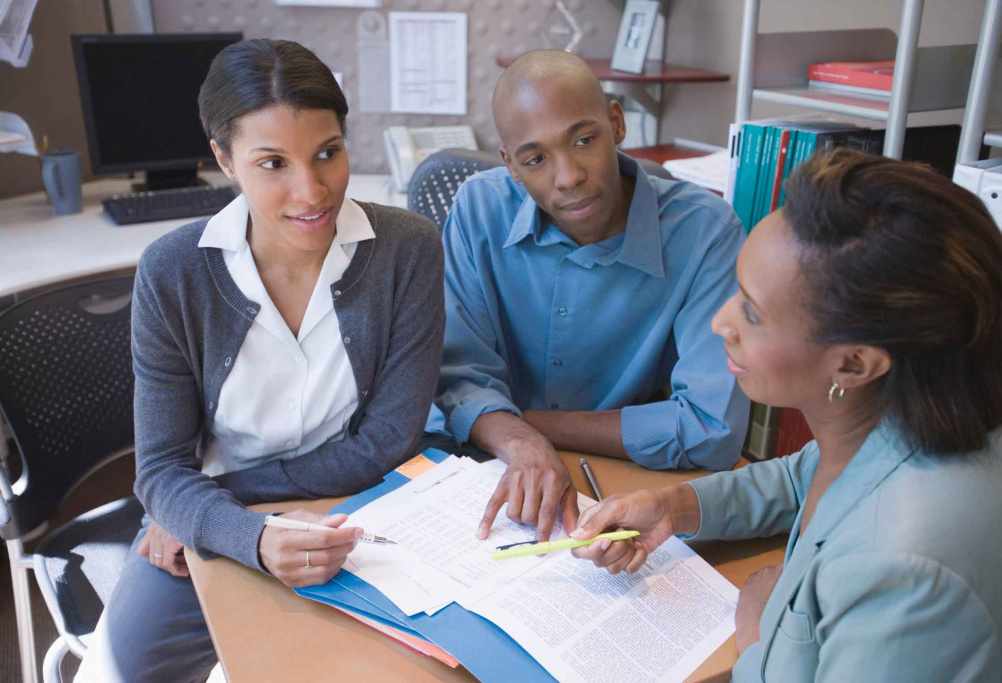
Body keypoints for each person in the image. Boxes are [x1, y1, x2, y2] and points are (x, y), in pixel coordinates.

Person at [570, 148, 1002, 681]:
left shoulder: (904, 570)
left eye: (752, 312)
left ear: (854, 363)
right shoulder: (924, 414)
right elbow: (799, 478)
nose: (721, 321)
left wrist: (760, 637)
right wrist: (672, 506)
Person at [75, 39, 444, 682]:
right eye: (273, 162)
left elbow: (390, 438)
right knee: (123, 674)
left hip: (360, 504)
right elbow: (160, 471)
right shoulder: (174, 271)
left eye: (328, 152)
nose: (312, 190)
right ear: (224, 159)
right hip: (219, 522)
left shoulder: (407, 248)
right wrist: (237, 528)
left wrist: (205, 500)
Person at [424, 50, 750, 543]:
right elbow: (457, 377)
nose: (569, 177)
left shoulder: (704, 231)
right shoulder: (478, 208)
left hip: (619, 482)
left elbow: (711, 428)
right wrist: (517, 440)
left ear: (616, 124)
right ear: (510, 164)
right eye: (536, 159)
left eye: (584, 139)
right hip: (490, 470)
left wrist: (526, 428)